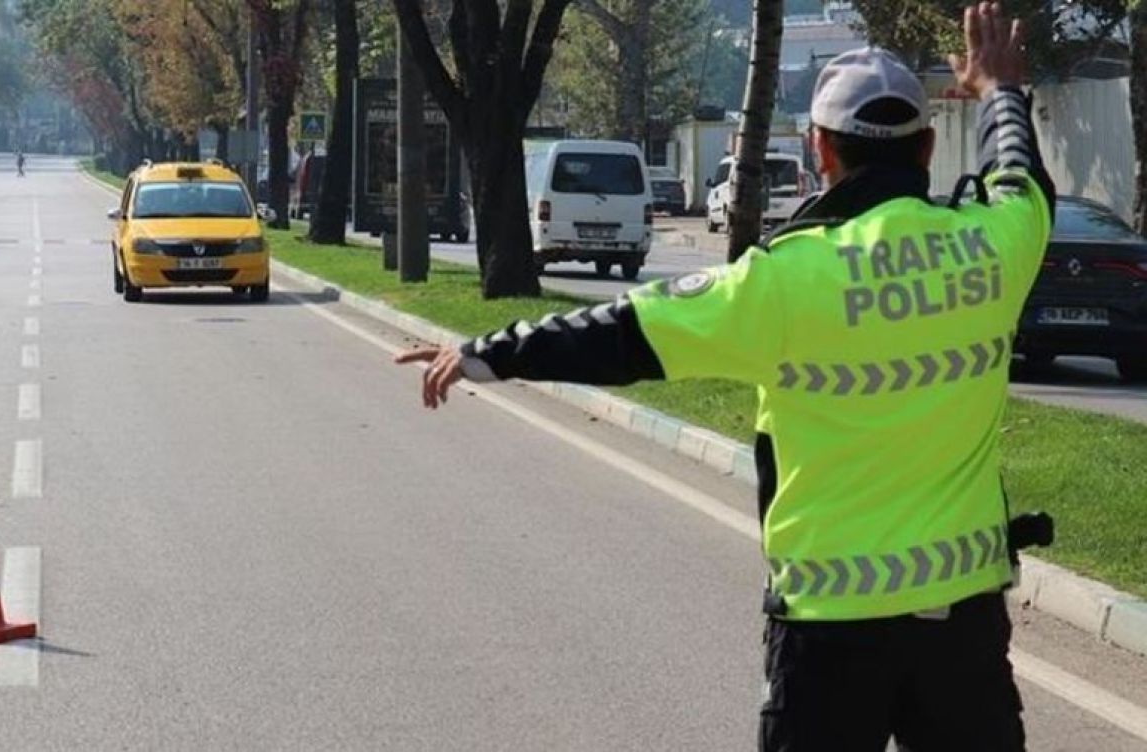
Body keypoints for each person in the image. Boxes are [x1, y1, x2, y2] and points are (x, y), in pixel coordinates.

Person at [395, 3, 1053, 750]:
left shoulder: (780, 282)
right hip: (962, 629)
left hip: (828, 636)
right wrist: (1001, 86)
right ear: (928, 147)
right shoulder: (992, 250)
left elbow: (620, 335)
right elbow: (1020, 175)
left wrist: (488, 350)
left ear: (820, 151)